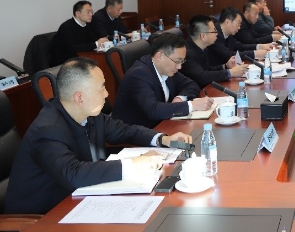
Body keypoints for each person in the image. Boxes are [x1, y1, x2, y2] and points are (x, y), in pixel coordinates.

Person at [5, 58, 192, 215]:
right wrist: (134, 164)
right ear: (80, 98)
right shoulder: (47, 130)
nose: (107, 93)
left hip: (78, 201)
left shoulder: (90, 114)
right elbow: (73, 174)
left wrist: (163, 139)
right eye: (101, 88)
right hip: (43, 218)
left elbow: (125, 130)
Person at [112, 33, 213, 128]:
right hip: (135, 133)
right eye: (177, 61)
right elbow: (153, 110)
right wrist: (191, 105)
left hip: (161, 125)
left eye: (182, 61)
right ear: (159, 56)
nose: (179, 67)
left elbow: (191, 85)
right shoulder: (138, 74)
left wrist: (180, 99)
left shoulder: (167, 68)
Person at [180, 15, 246, 88]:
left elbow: (207, 70)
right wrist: (230, 73)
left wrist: (225, 66)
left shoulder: (202, 48)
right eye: (214, 31)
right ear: (203, 36)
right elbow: (202, 77)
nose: (217, 34)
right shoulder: (186, 53)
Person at [50, 0, 109, 66]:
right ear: (77, 13)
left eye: (91, 12)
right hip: (65, 63)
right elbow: (73, 48)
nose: (91, 14)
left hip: (81, 59)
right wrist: (96, 44)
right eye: (88, 12)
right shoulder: (66, 27)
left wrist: (102, 42)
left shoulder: (87, 25)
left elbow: (93, 39)